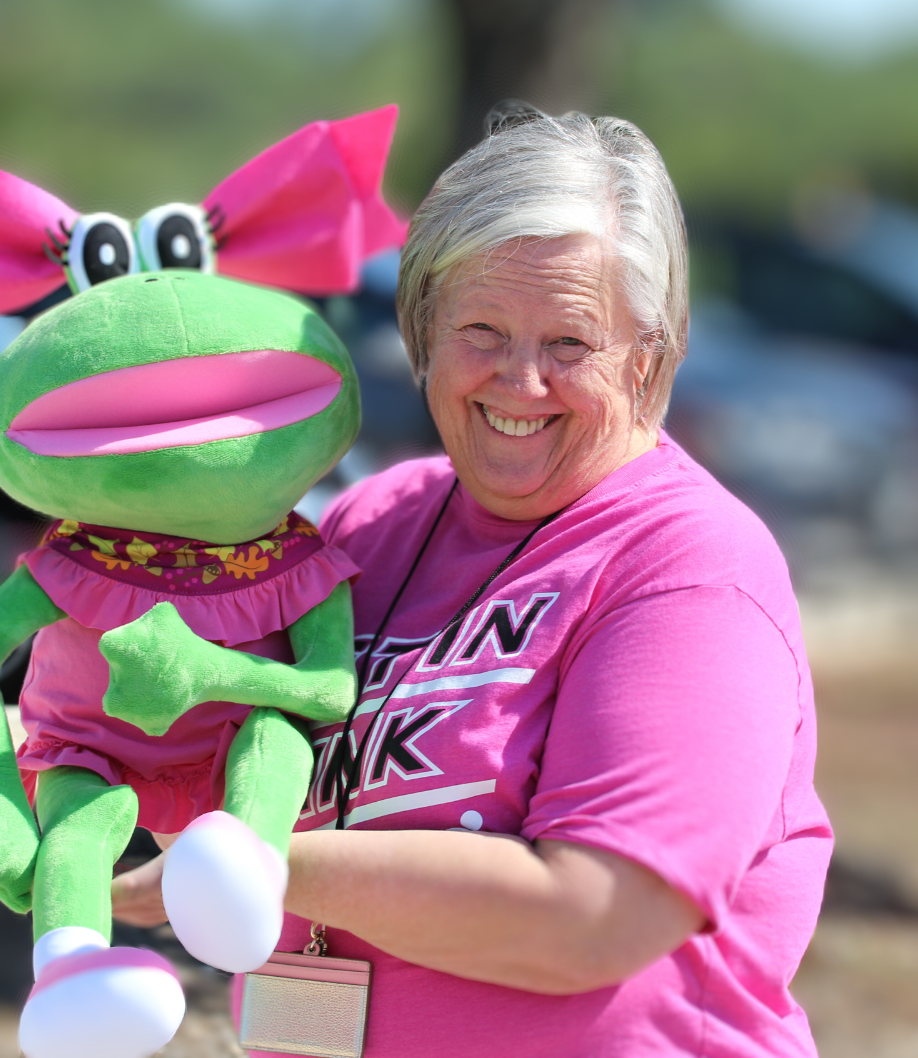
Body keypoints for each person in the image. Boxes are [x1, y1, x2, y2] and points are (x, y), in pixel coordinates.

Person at [112, 106, 832, 1058]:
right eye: (482, 331)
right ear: (424, 332)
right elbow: (212, 763)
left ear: (648, 357)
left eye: (571, 343)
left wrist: (265, 871)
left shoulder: (689, 569)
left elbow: (595, 915)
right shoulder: (370, 522)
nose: (519, 380)